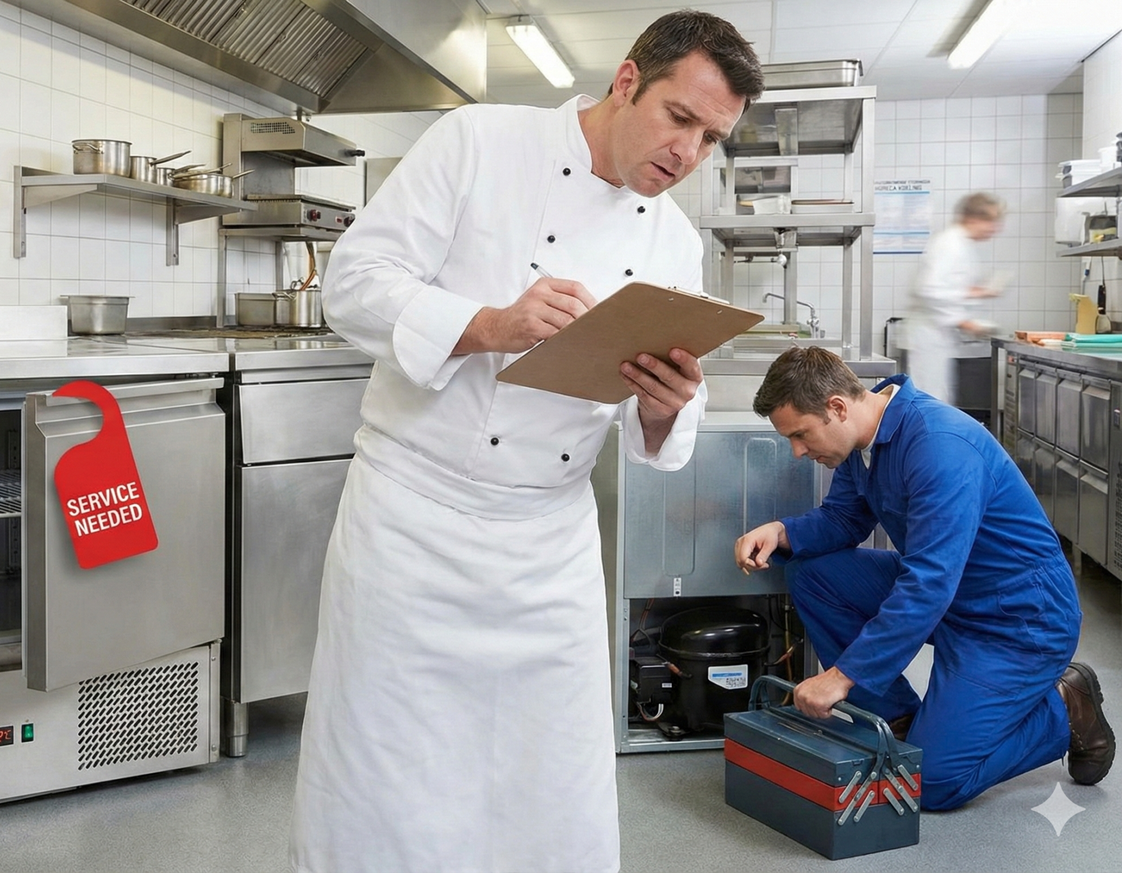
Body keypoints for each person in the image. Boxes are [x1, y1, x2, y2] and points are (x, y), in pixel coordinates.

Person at [289, 11, 762, 872]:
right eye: (678, 119)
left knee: (549, 781)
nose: (687, 154)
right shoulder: (477, 141)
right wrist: (486, 323)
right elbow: (353, 286)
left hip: (548, 543)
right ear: (626, 81)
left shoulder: (673, 241)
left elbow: (660, 434)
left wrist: (664, 406)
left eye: (712, 140)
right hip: (414, 524)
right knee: (388, 769)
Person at [734, 347, 1114, 812]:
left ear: (836, 407)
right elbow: (844, 520)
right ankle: (900, 721)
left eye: (799, 435)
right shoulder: (863, 443)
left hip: (1017, 621)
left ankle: (1066, 705)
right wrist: (784, 531)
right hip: (953, 595)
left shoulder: (940, 446)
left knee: (932, 783)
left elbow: (930, 581)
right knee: (816, 574)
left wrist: (843, 676)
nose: (797, 452)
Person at [900, 192, 1005, 406]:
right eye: (992, 222)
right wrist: (963, 321)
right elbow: (929, 290)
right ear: (973, 218)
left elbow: (947, 287)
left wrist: (975, 291)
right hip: (929, 336)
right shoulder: (950, 244)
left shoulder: (961, 244)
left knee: (937, 398)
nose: (995, 229)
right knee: (930, 400)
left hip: (938, 337)